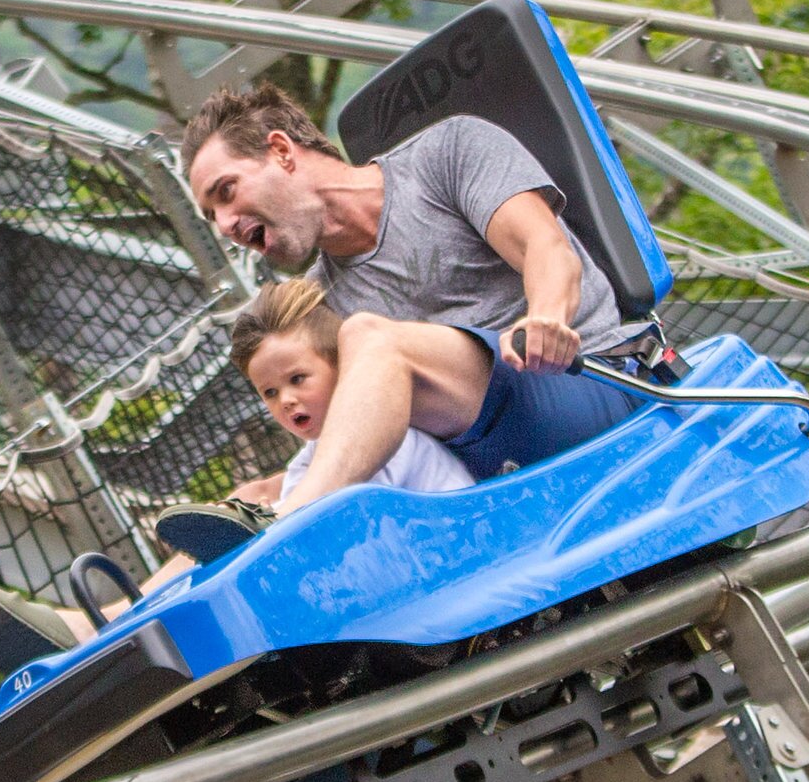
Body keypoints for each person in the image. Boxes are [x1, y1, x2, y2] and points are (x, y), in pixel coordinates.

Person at [0, 277, 473, 675]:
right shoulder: (309, 465)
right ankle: (109, 622)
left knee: (250, 546)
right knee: (232, 541)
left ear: (341, 368)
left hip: (451, 566)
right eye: (268, 393)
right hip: (383, 584)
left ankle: (114, 623)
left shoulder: (382, 425)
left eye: (298, 379)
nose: (285, 400)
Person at [173, 78, 673, 510]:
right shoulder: (321, 301)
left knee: (370, 337)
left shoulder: (446, 155)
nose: (224, 225)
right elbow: (356, 439)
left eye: (226, 192)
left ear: (281, 152)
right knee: (259, 493)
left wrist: (546, 318)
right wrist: (273, 490)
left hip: (594, 387)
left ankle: (295, 520)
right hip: (478, 465)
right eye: (210, 216)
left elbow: (546, 248)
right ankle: (115, 619)